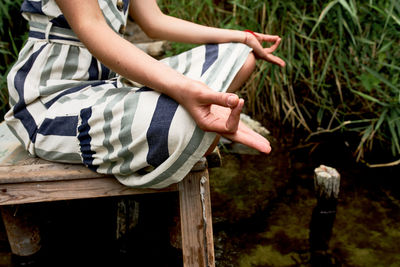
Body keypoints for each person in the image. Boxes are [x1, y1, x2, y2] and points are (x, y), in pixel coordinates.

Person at [5, 0, 285, 188]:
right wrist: (182, 88)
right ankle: (170, 119)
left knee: (240, 56)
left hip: (112, 85)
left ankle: (168, 118)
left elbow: (155, 22)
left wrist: (239, 36)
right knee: (185, 126)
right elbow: (92, 26)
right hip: (53, 96)